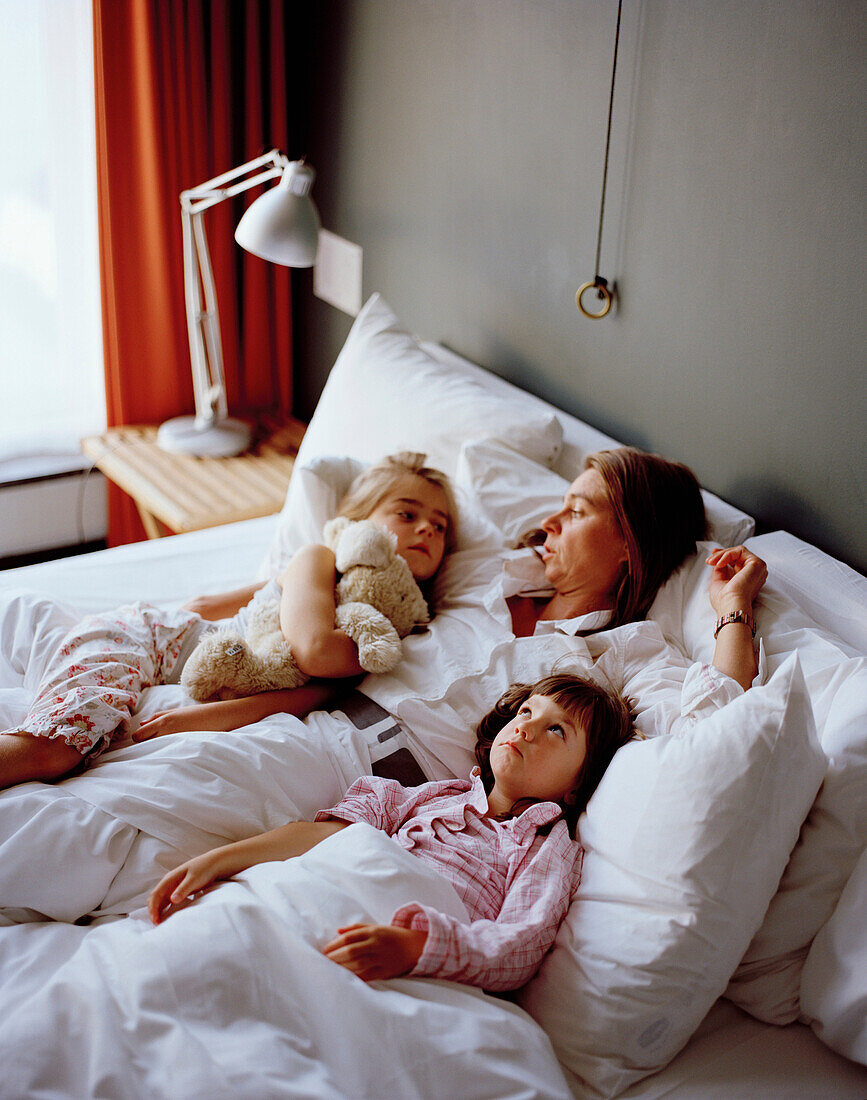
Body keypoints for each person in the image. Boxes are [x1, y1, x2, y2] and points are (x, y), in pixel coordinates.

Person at [0, 445, 767, 925]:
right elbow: (481, 464)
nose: (549, 525)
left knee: (113, 838)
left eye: (577, 512)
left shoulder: (623, 654)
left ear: (630, 538)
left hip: (368, 779)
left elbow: (716, 711)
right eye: (556, 507)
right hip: (310, 722)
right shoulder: (488, 575)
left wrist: (732, 607)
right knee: (108, 801)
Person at [147, 673, 636, 991]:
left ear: (577, 788)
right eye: (527, 712)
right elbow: (321, 838)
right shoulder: (425, 797)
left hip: (409, 951)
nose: (527, 728)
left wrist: (416, 947)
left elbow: (518, 946)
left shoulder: (545, 846)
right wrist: (222, 860)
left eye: (558, 731)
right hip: (328, 898)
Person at [0, 452, 457, 790]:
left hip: (174, 662)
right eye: (407, 513)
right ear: (359, 523)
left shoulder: (391, 624)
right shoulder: (318, 559)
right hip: (144, 639)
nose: (426, 530)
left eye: (440, 526)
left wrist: (203, 718)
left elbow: (303, 696)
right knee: (53, 750)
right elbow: (311, 650)